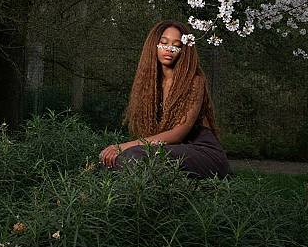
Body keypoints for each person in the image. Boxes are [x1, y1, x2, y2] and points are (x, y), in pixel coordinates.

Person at [99, 20, 232, 179]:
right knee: (113, 160)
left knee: (133, 155)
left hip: (203, 152)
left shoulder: (194, 81)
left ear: (184, 50)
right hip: (173, 150)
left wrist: (123, 146)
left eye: (176, 45)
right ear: (153, 45)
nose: (169, 49)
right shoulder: (150, 85)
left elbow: (177, 135)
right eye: (163, 43)